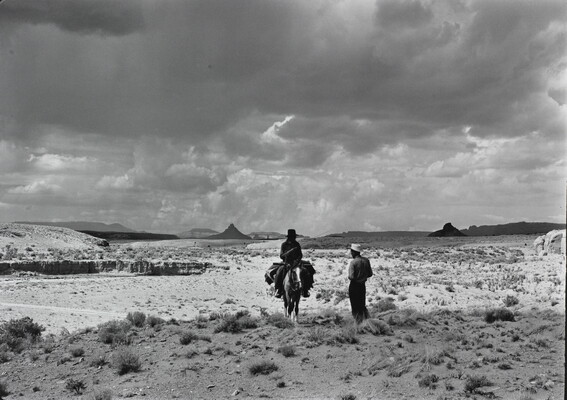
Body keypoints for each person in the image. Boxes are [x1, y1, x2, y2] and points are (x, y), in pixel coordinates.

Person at [274, 229, 304, 298]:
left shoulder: (297, 244)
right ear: (289, 237)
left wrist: (297, 261)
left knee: (305, 271)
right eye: (292, 237)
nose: (294, 238)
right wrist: (290, 251)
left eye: (294, 237)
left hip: (296, 263)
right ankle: (278, 289)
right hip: (286, 263)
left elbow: (300, 255)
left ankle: (305, 289)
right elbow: (281, 256)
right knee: (280, 272)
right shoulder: (284, 245)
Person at [347, 243, 373, 323]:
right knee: (362, 305)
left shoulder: (353, 262)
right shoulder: (366, 261)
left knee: (355, 306)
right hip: (362, 286)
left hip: (354, 286)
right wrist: (362, 277)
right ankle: (365, 321)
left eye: (351, 252)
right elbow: (370, 274)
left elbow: (351, 276)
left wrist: (356, 277)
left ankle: (358, 323)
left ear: (353, 252)